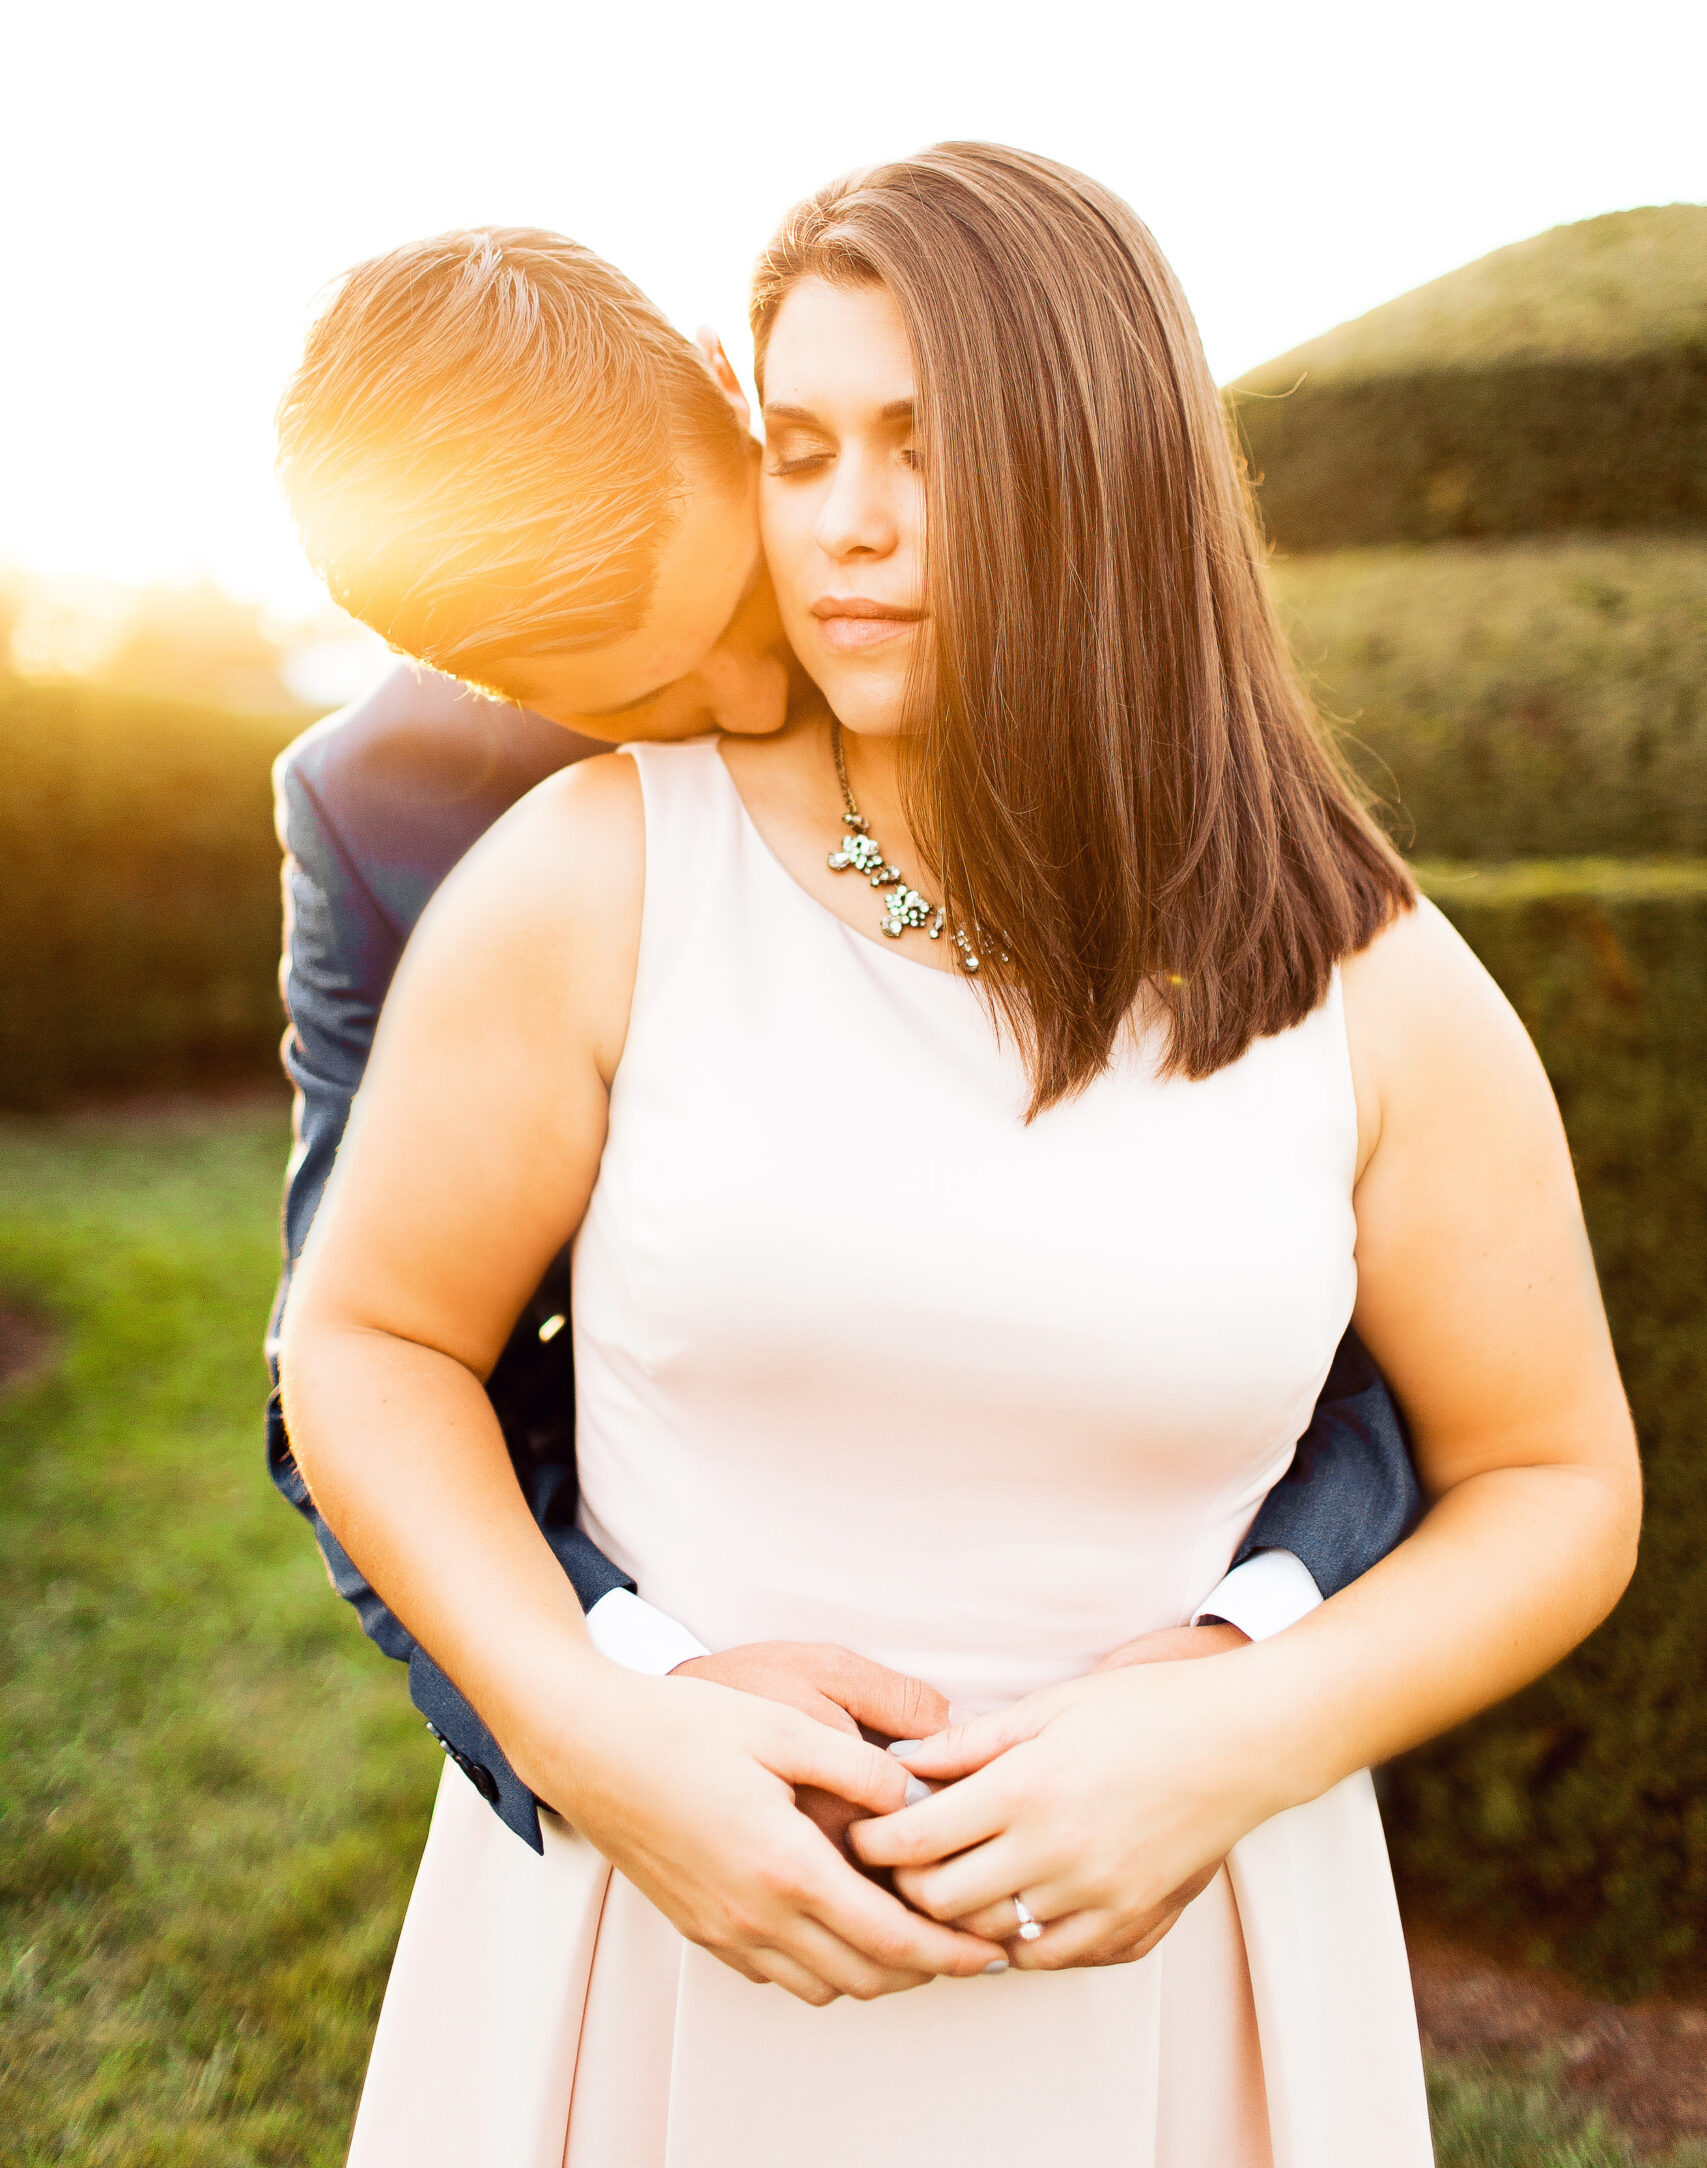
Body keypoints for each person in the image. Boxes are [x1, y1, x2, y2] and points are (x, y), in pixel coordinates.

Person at [278, 146, 1639, 2166]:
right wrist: (604, 1718)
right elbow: (362, 1348)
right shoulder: (510, 853)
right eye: (813, 449)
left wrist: (1240, 1690)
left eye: (912, 448)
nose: (799, 615)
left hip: (1168, 1948)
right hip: (664, 1915)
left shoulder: (1369, 970)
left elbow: (1519, 1455)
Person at [269, 225, 1418, 1848]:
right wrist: (610, 1697)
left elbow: (1361, 1295)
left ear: (736, 405)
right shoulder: (387, 817)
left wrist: (1250, 1652)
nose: (753, 701)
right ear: (477, 676)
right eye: (643, 698)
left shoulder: (1020, 634)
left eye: (739, 602)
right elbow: (349, 1356)